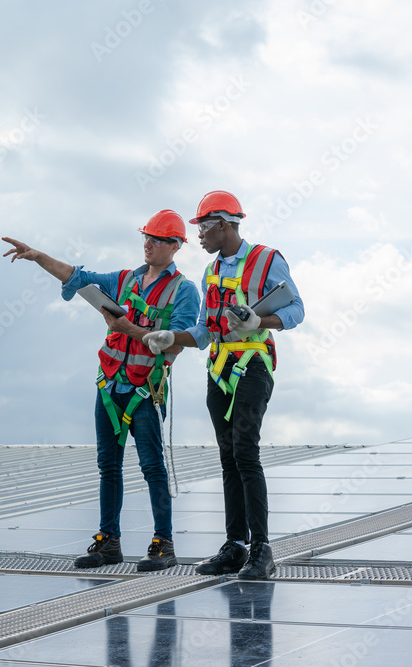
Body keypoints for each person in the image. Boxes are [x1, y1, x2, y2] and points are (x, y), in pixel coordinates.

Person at [1, 209, 199, 572]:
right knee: (108, 466)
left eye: (156, 239)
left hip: (144, 390)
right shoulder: (124, 279)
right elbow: (79, 277)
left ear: (175, 245)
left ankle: (163, 544)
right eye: (146, 237)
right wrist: (38, 256)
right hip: (110, 386)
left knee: (152, 467)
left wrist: (130, 328)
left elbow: (177, 343)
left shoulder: (184, 291)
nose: (147, 244)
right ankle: (109, 542)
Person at [143, 190, 304, 580]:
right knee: (228, 457)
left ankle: (262, 549)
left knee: (246, 453)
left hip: (253, 365)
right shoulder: (211, 272)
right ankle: (235, 545)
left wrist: (259, 322)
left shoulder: (267, 259)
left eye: (202, 227)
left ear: (223, 224)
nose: (197, 235)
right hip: (219, 368)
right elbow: (202, 331)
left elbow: (296, 310)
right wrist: (171, 337)